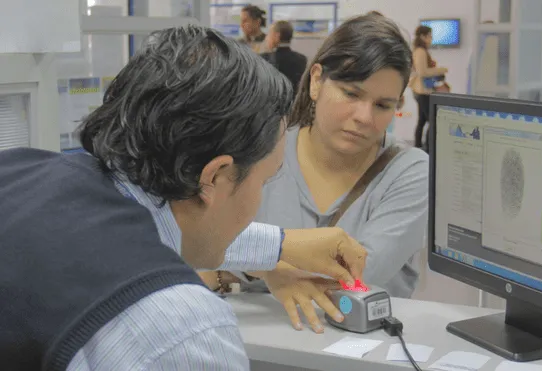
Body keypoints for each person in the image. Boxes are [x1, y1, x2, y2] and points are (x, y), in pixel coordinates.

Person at [0, 26, 368, 371]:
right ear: (214, 177)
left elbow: (152, 234)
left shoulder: (20, 173)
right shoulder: (183, 330)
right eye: (264, 181)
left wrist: (281, 246)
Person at [201, 14, 429, 333]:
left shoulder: (409, 170)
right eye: (351, 93)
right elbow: (200, 242)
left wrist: (256, 266)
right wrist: (269, 270)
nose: (364, 117)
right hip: (257, 346)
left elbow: (356, 275)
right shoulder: (264, 151)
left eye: (382, 105)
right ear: (317, 80)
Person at [410, 25, 449, 150]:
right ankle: (428, 149)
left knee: (422, 120)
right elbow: (423, 72)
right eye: (430, 36)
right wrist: (441, 69)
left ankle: (418, 147)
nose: (431, 39)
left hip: (421, 90)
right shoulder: (420, 52)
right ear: (423, 36)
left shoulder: (419, 50)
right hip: (423, 91)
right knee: (432, 121)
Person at [261, 20, 307, 92]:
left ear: (277, 36)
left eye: (269, 34)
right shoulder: (302, 59)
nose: (266, 38)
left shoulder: (264, 59)